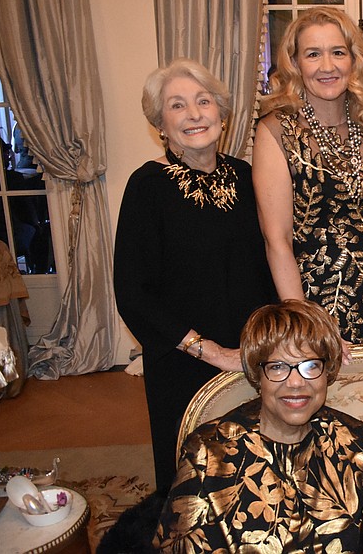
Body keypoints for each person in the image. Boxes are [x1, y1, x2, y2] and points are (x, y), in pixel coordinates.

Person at [113, 58, 274, 495]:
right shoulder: (147, 186)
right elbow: (133, 294)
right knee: (194, 482)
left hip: (253, 354)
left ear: (222, 113)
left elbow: (272, 258)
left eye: (203, 101)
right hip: (182, 361)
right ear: (160, 124)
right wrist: (210, 351)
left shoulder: (248, 176)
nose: (194, 114)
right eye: (177, 105)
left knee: (259, 475)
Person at [154, 300, 363, 552]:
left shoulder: (350, 439)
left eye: (310, 366)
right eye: (278, 367)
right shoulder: (209, 452)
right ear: (258, 375)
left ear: (327, 372)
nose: (296, 382)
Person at [253, 6, 363, 343]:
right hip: (312, 301)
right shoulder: (276, 132)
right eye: (313, 54)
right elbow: (277, 241)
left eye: (337, 52)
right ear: (295, 63)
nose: (327, 66)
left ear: (353, 59)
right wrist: (307, 325)